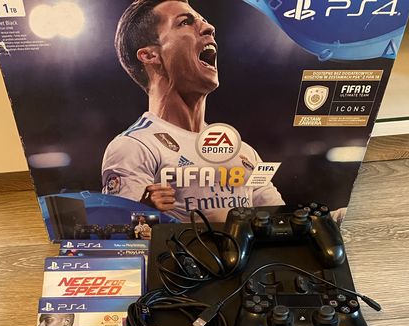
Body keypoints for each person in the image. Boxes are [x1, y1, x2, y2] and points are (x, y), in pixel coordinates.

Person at [102, 0, 284, 222]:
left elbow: (281, 221)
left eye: (203, 21)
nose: (209, 28)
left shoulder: (245, 152)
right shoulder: (133, 147)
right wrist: (143, 212)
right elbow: (120, 234)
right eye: (185, 22)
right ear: (150, 56)